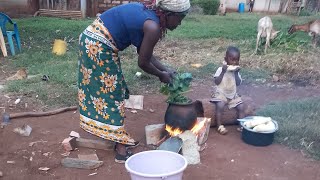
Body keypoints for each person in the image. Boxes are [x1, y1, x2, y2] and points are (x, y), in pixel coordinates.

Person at [77, 0, 190, 163]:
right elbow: (143, 62)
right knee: (112, 94)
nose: (180, 23)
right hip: (97, 47)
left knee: (113, 90)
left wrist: (165, 69)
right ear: (169, 14)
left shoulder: (150, 16)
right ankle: (121, 150)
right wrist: (161, 75)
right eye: (180, 18)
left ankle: (111, 133)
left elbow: (144, 52)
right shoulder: (153, 27)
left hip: (92, 40)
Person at [210, 46, 245, 135]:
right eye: (232, 60)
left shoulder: (236, 72)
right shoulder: (220, 69)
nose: (234, 62)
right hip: (221, 93)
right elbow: (216, 82)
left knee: (241, 107)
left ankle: (241, 125)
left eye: (236, 60)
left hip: (232, 94)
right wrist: (223, 71)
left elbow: (238, 83)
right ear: (226, 59)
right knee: (220, 105)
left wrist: (236, 73)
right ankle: (219, 126)